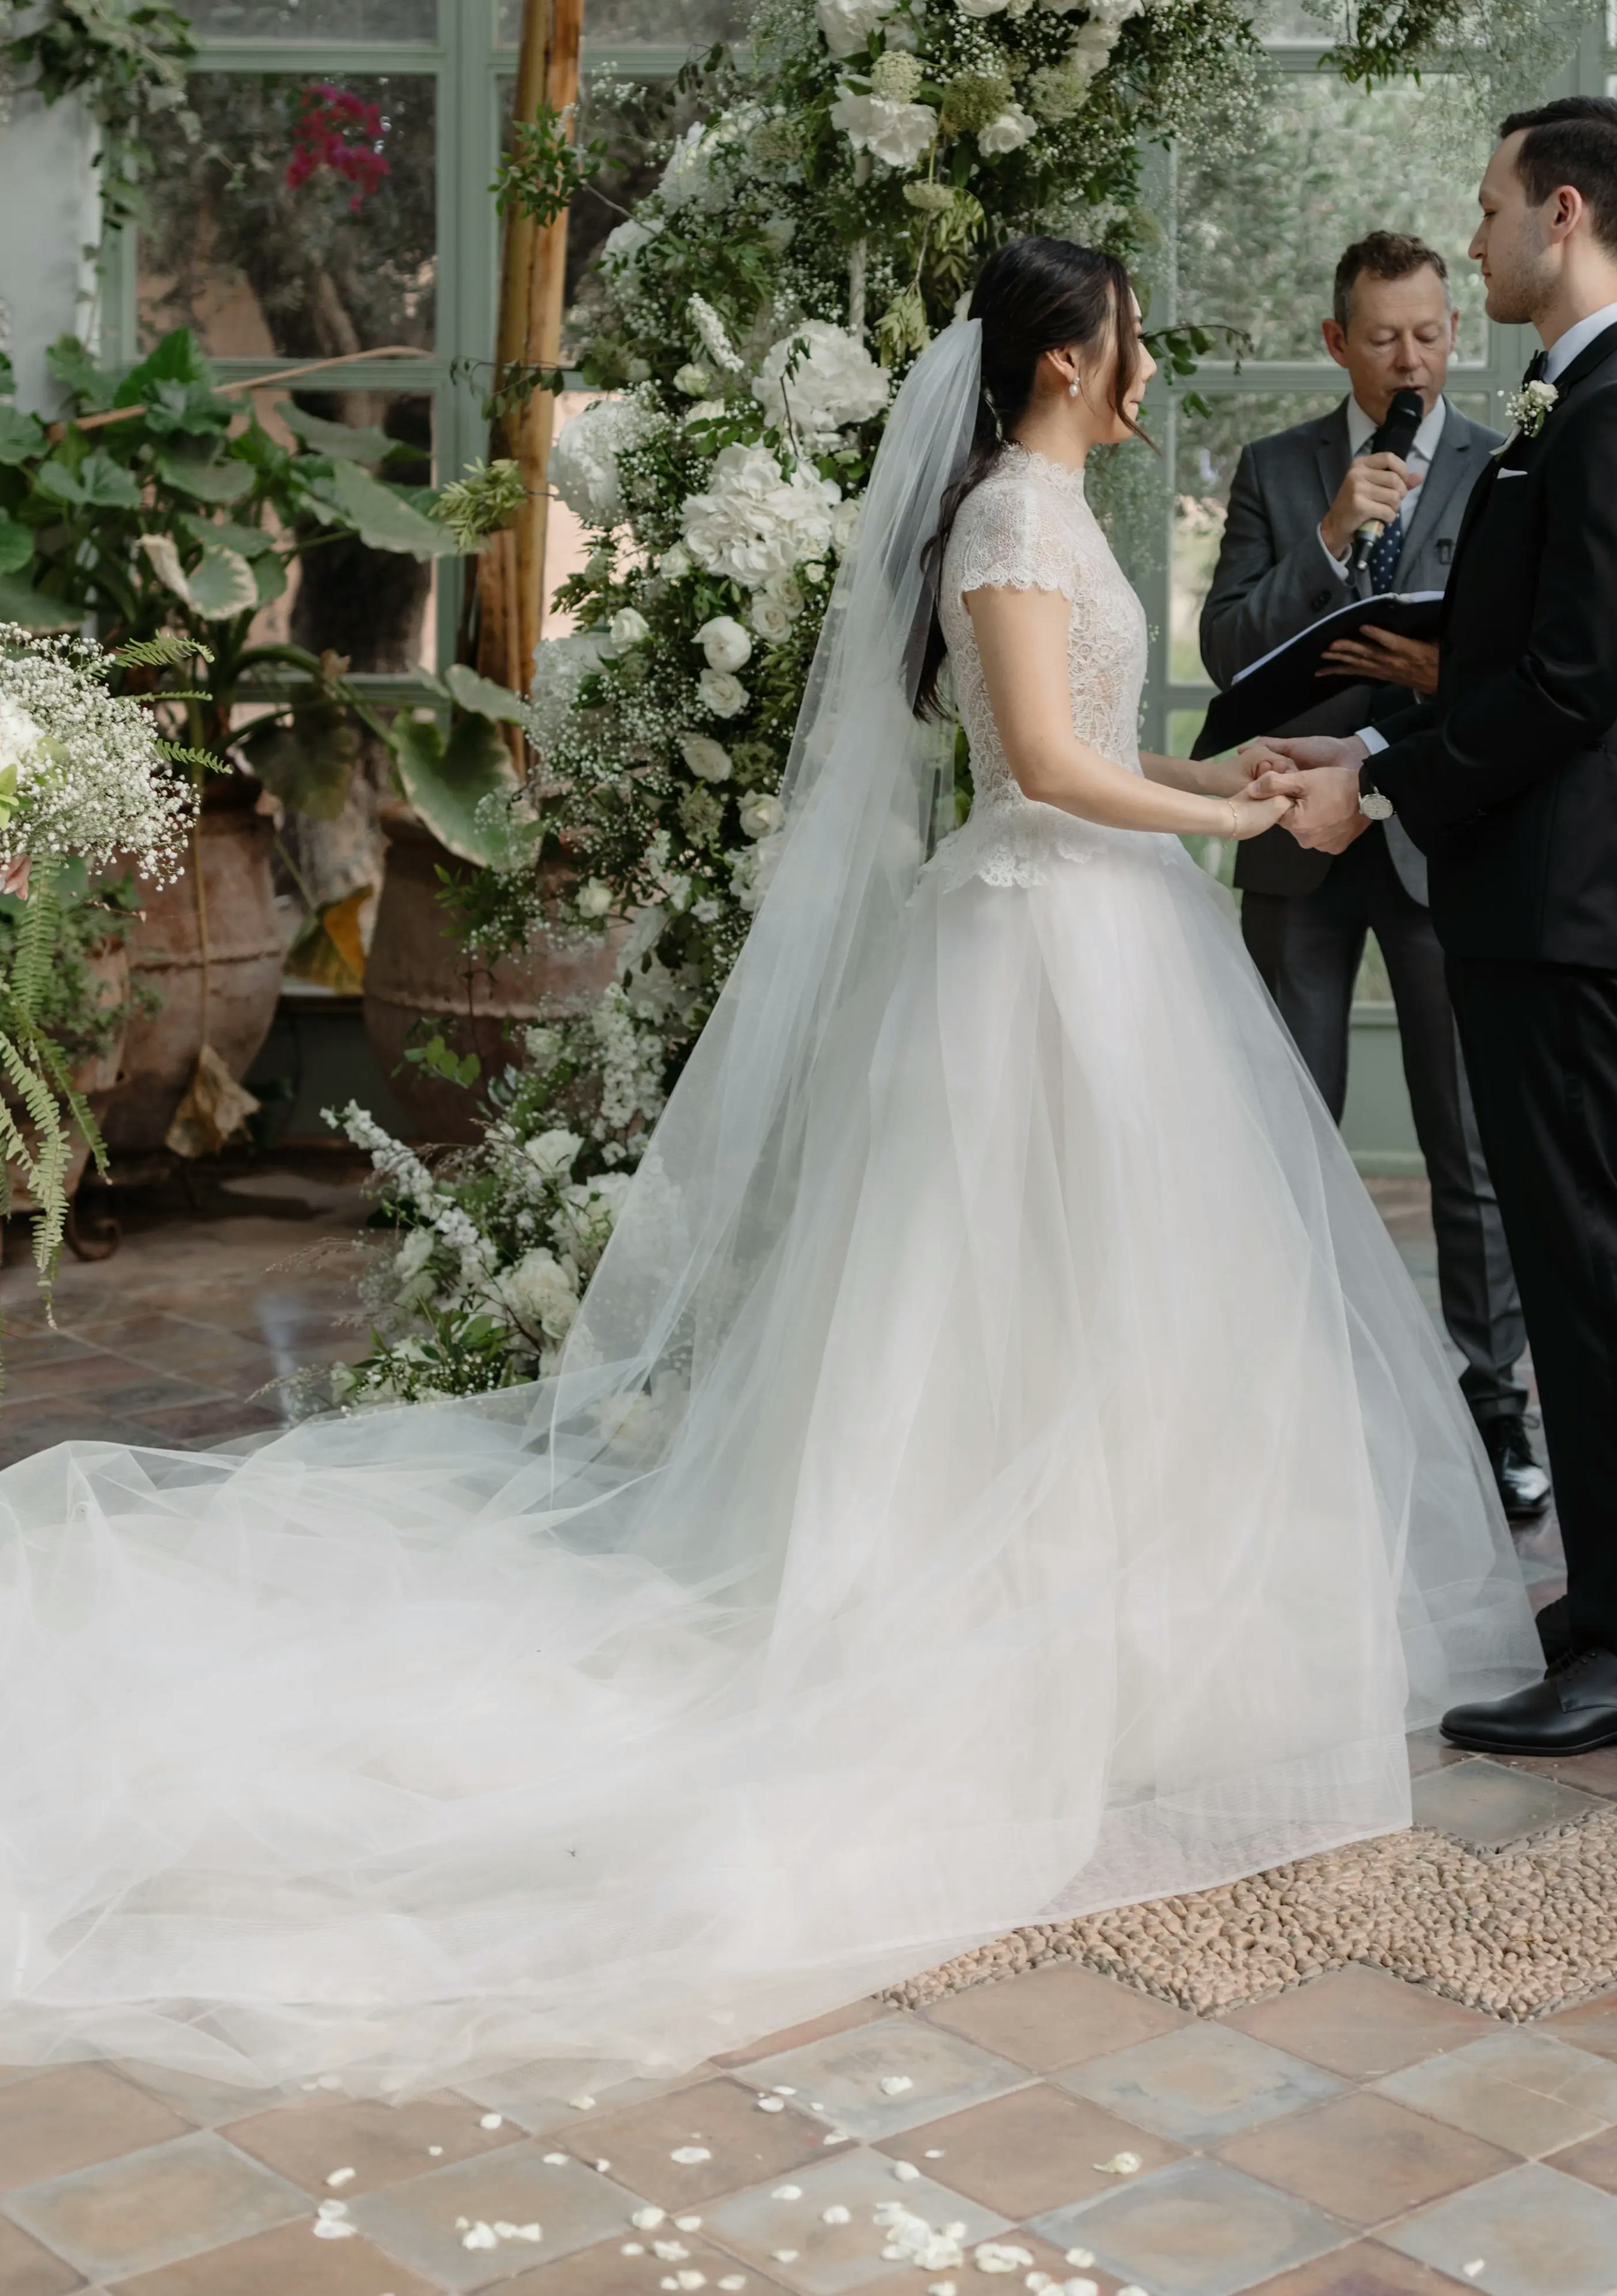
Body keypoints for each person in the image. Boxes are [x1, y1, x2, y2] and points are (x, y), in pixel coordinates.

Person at [0, 235, 1537, 2096]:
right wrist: (1226, 802)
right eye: (1127, 336)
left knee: (1128, 1295)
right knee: (1011, 1299)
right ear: (1064, 359)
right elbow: (1043, 765)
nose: (1144, 363)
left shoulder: (1052, 504)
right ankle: (1003, 1618)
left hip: (1107, 940)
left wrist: (1242, 760)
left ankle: (1150, 1627)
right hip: (1045, 945)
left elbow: (1089, 736)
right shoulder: (1004, 530)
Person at [1269, 100, 1617, 1760]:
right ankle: (1610, 1604)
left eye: (1490, 208)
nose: (1475, 239)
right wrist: (1367, 739)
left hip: (1570, 897)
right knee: (1564, 1254)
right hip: (1532, 887)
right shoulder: (1584, 399)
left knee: (1592, 1269)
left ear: (1567, 210)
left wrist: (1384, 793)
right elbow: (1520, 653)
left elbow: (1574, 685)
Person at [1198, 230, 1547, 1524]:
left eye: (1432, 332)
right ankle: (1288, 1400)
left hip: (1436, 827)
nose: (1411, 358)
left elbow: (1538, 663)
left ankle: (1493, 1395)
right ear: (1337, 342)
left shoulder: (1514, 462)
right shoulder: (1281, 467)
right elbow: (1231, 646)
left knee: (1470, 1143)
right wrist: (1334, 535)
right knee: (1287, 1134)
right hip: (1293, 835)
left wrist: (1428, 680)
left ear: (1457, 332)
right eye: (1384, 336)